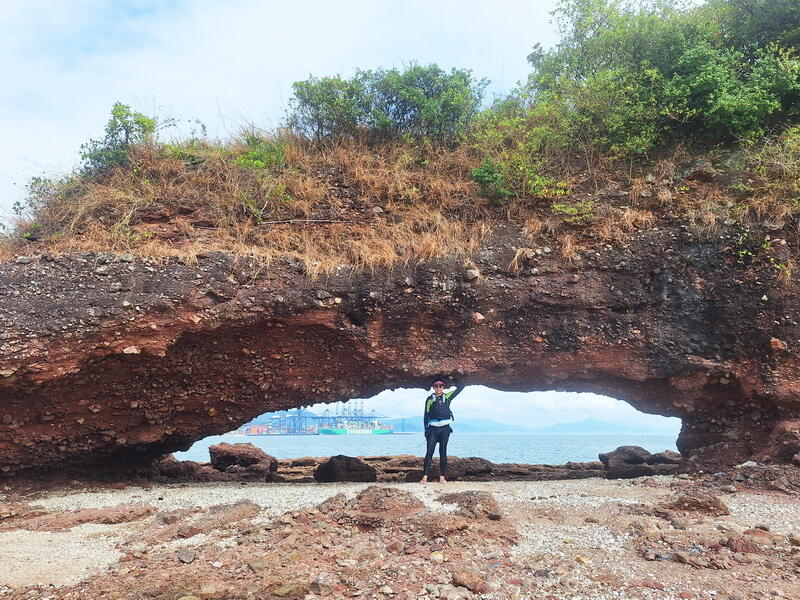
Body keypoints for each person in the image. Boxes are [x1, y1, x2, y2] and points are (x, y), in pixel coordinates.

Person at [420, 376, 464, 483]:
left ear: (443, 387)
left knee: (443, 452)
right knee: (429, 452)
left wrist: (452, 378)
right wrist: (426, 430)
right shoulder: (429, 399)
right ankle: (424, 477)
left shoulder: (448, 397)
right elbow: (426, 415)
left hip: (445, 430)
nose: (438, 388)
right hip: (432, 430)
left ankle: (442, 477)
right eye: (436, 386)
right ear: (433, 387)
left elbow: (461, 387)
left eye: (440, 386)